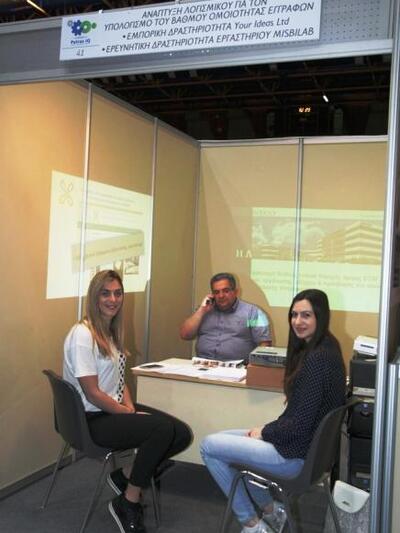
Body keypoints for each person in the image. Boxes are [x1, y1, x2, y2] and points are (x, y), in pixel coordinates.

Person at [200, 289, 346, 533]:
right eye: (294, 315)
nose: (298, 322)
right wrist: (265, 431)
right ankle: (272, 512)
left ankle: (252, 524)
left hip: (295, 456)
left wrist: (266, 432)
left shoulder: (317, 359)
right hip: (307, 451)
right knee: (224, 441)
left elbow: (298, 424)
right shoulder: (328, 347)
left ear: (320, 316)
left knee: (209, 446)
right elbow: (299, 417)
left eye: (306, 315)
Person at [63, 270, 192, 533]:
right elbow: (92, 393)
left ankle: (124, 476)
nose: (113, 300)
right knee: (161, 431)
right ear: (94, 297)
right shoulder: (82, 335)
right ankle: (128, 502)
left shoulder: (110, 331)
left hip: (110, 409)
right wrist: (127, 414)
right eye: (106, 293)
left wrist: (129, 406)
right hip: (91, 418)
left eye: (118, 293)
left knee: (179, 433)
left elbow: (120, 378)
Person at [180, 272, 271, 361]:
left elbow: (264, 344)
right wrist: (201, 310)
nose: (221, 296)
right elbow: (185, 335)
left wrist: (254, 367)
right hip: (202, 365)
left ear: (235, 292)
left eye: (226, 291)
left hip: (237, 368)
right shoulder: (204, 311)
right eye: (216, 292)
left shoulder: (254, 313)